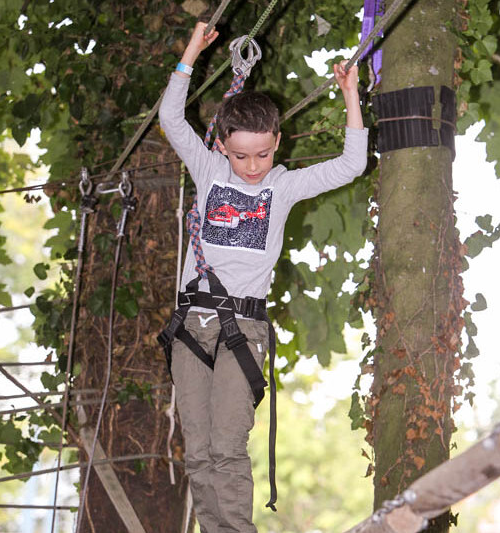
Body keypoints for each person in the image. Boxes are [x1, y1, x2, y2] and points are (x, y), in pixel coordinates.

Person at [159, 21, 367, 533]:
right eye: (240, 155)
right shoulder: (208, 170)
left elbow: (351, 165)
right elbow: (170, 118)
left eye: (263, 153)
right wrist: (192, 50)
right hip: (191, 327)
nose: (252, 166)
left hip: (242, 330)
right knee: (198, 450)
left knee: (227, 445)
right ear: (222, 145)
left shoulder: (283, 187)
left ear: (278, 141)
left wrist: (350, 94)